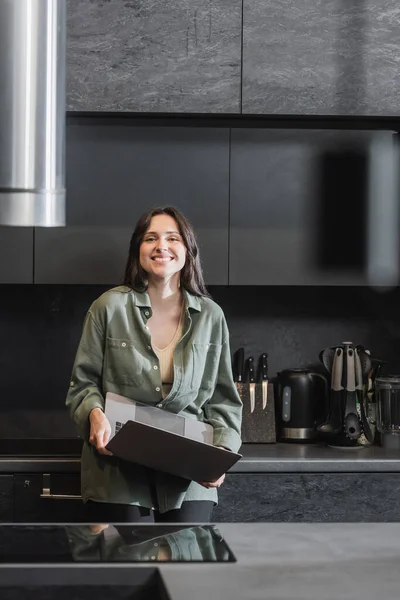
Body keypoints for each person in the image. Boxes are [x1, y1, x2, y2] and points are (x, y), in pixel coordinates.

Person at [66, 206, 242, 523]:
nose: (161, 246)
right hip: (116, 468)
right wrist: (94, 415)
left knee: (187, 566)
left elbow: (223, 400)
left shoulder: (211, 316)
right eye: (151, 238)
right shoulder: (108, 307)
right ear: (138, 250)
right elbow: (83, 385)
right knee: (125, 566)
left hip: (189, 471)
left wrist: (222, 455)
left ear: (188, 250)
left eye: (172, 238)